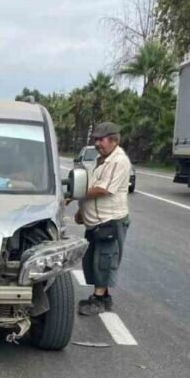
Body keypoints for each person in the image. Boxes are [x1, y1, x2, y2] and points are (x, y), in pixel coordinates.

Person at [69, 122, 132, 316]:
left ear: (114, 140)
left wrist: (73, 195)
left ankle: (98, 299)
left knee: (104, 260)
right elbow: (94, 184)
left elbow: (102, 189)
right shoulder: (102, 159)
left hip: (110, 221)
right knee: (94, 259)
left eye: (101, 139)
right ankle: (104, 297)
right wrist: (82, 211)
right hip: (96, 221)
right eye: (95, 139)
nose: (97, 143)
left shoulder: (118, 161)